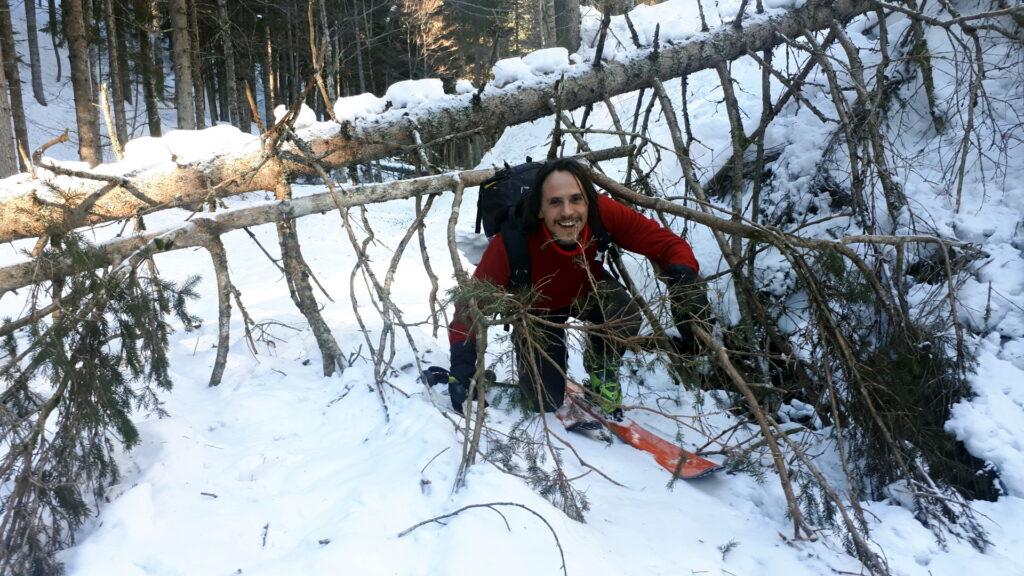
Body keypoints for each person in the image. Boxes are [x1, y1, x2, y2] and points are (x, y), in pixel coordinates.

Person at [447, 158, 710, 417]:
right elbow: (468, 307)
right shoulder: (512, 240)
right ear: (539, 209)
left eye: (576, 199)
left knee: (622, 310)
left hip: (588, 290)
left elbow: (666, 244)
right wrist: (462, 371)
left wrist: (685, 282)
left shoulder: (603, 212)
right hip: (537, 310)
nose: (567, 212)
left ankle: (602, 370)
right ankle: (539, 373)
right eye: (555, 202)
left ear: (588, 201)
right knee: (544, 402)